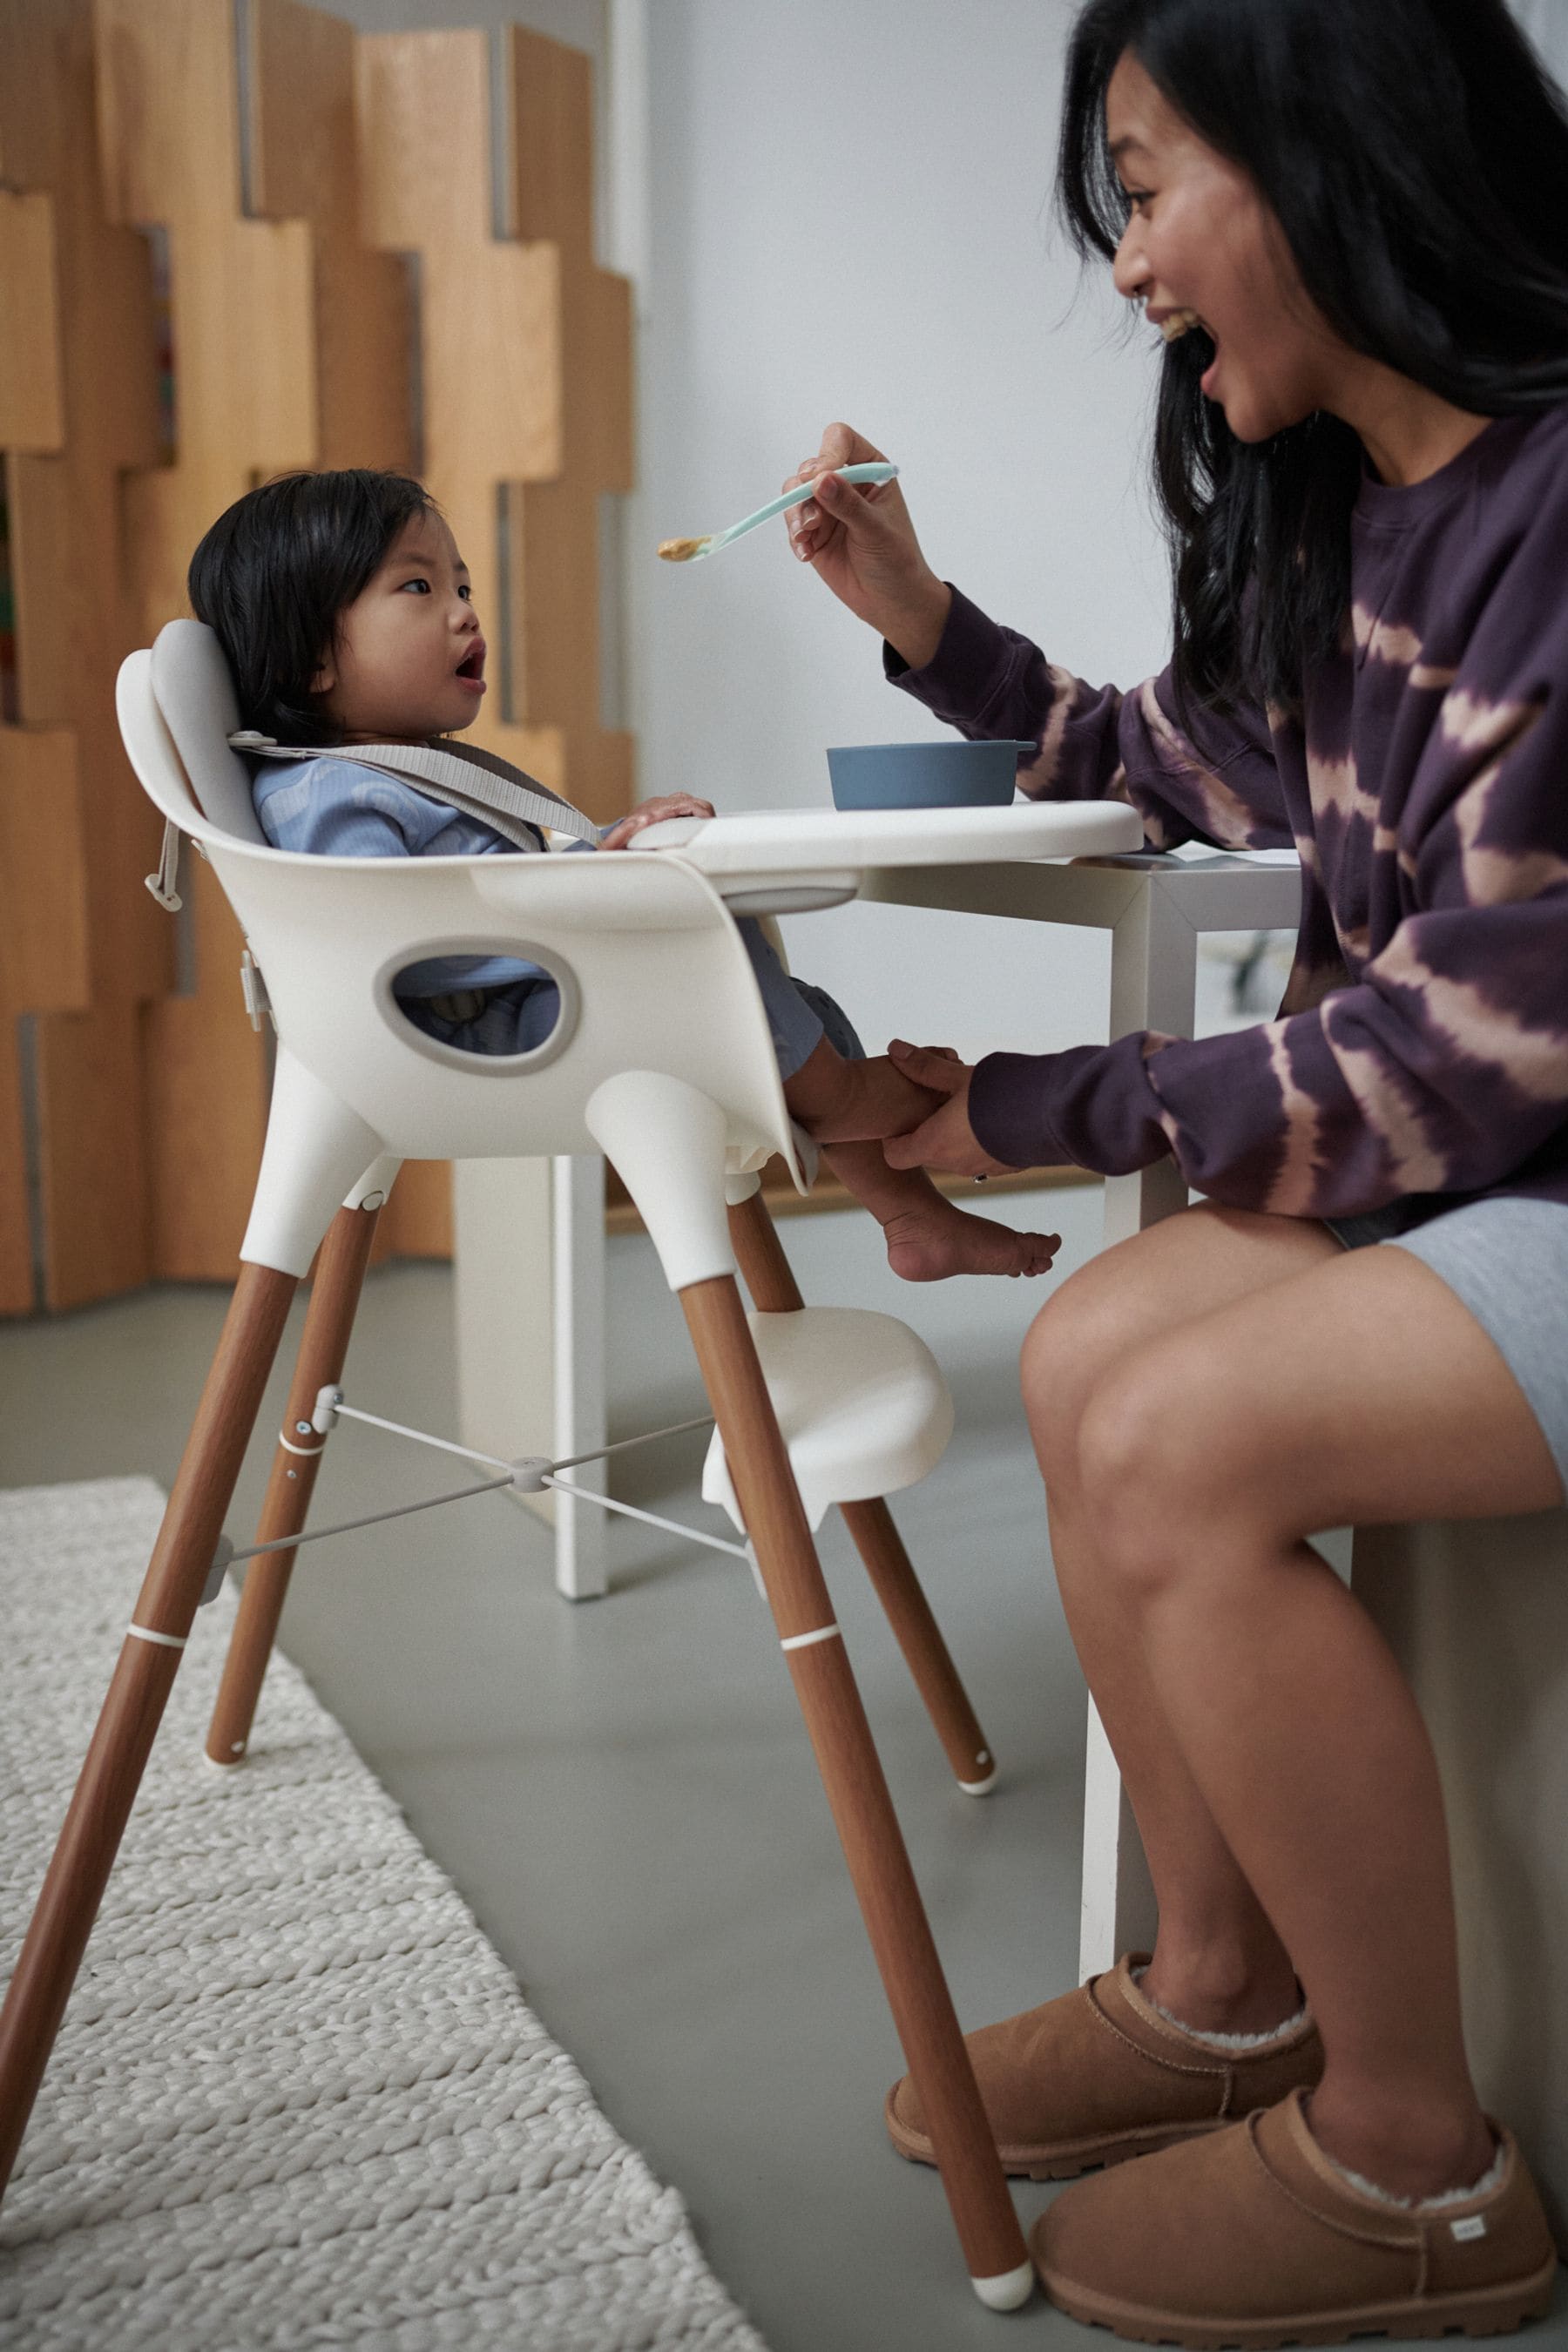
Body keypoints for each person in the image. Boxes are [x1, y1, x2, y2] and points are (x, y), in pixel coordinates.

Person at [781, 0, 1567, 2337]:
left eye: (1145, 183)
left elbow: (1462, 1056)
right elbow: (1181, 757)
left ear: (1337, 159)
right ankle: (1227, 1987)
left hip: (1524, 1151)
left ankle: (1421, 2166)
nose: (1125, 262)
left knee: (1177, 1417)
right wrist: (920, 619)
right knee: (1100, 1342)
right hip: (1508, 1167)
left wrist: (1017, 1102)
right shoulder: (1364, 523)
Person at [186, 470, 1061, 1284]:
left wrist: (606, 850)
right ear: (312, 661)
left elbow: (493, 891)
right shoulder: (326, 793)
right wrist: (588, 886)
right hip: (474, 1045)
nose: (462, 613)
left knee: (799, 1004)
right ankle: (863, 1099)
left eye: (462, 587)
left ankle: (908, 1214)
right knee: (705, 972)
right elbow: (398, 940)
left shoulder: (396, 770)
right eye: (419, 588)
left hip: (529, 1008)